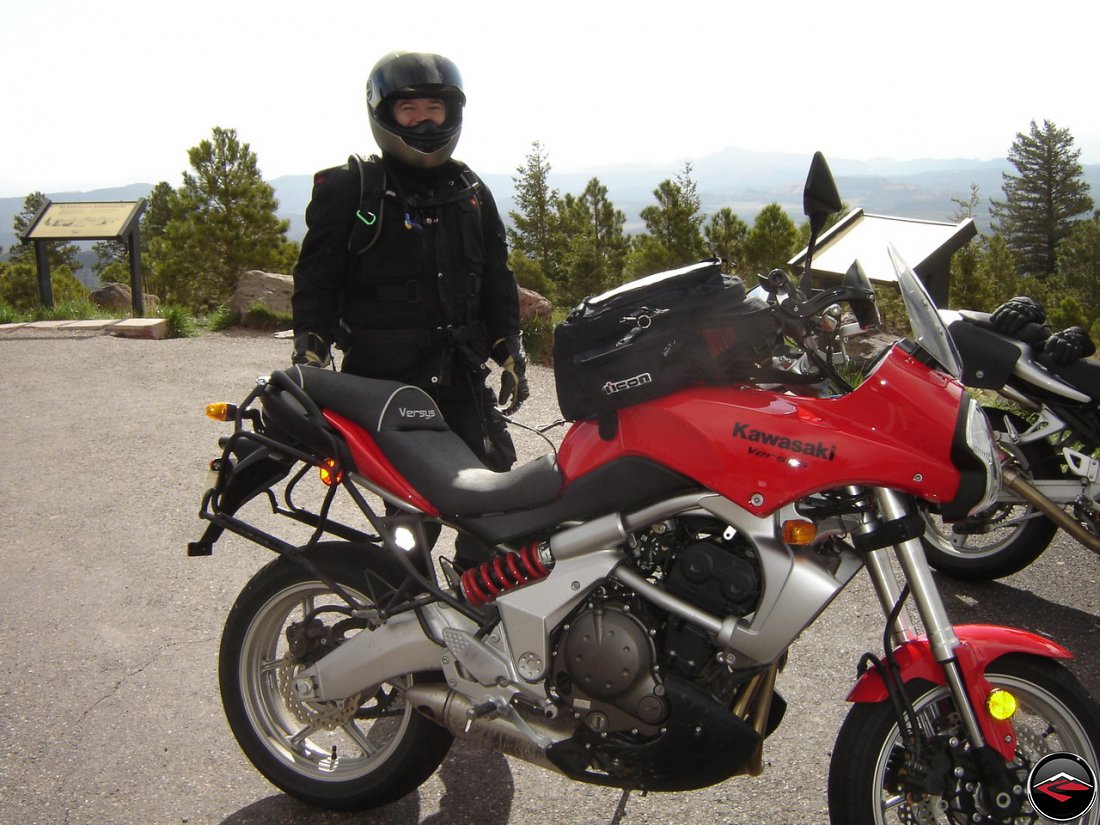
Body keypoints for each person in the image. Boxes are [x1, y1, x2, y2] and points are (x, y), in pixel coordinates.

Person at [291, 51, 529, 478]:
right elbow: (318, 278)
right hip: (384, 382)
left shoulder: (470, 191)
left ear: (451, 112)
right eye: (410, 110)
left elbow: (495, 277)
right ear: (385, 114)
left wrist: (510, 346)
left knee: (499, 492)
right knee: (411, 503)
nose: (425, 123)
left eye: (435, 109)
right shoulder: (354, 188)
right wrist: (311, 348)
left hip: (461, 376)